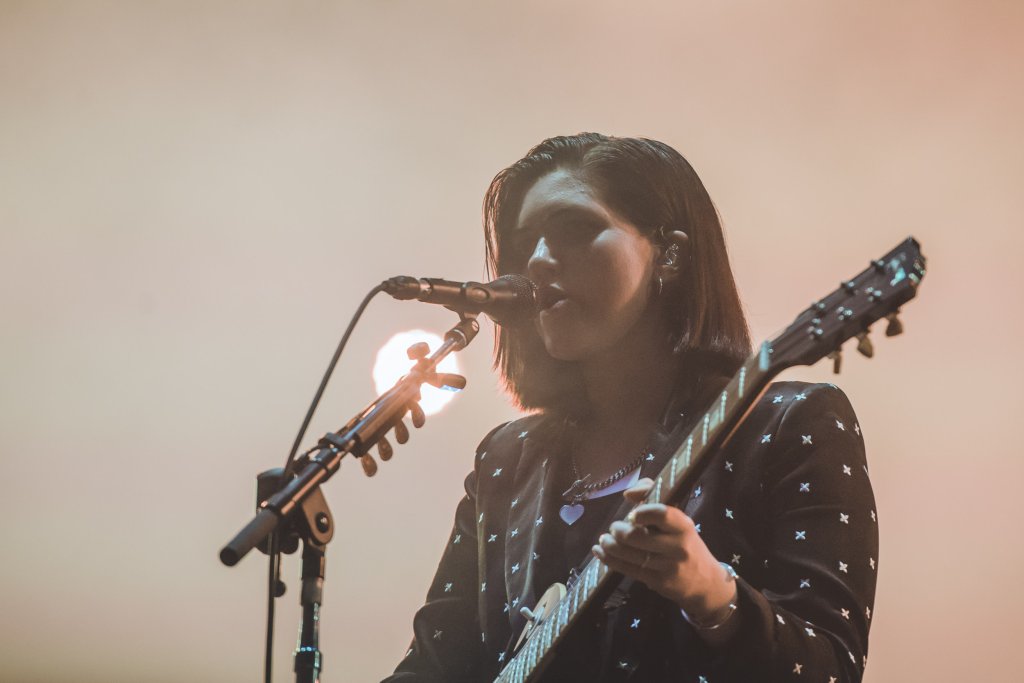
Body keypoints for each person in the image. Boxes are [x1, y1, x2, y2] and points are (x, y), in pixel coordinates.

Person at [385, 134, 877, 682]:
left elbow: (833, 670)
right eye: (526, 244)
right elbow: (433, 666)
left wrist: (714, 596)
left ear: (671, 256)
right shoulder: (507, 458)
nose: (540, 261)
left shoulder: (790, 424)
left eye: (574, 229)